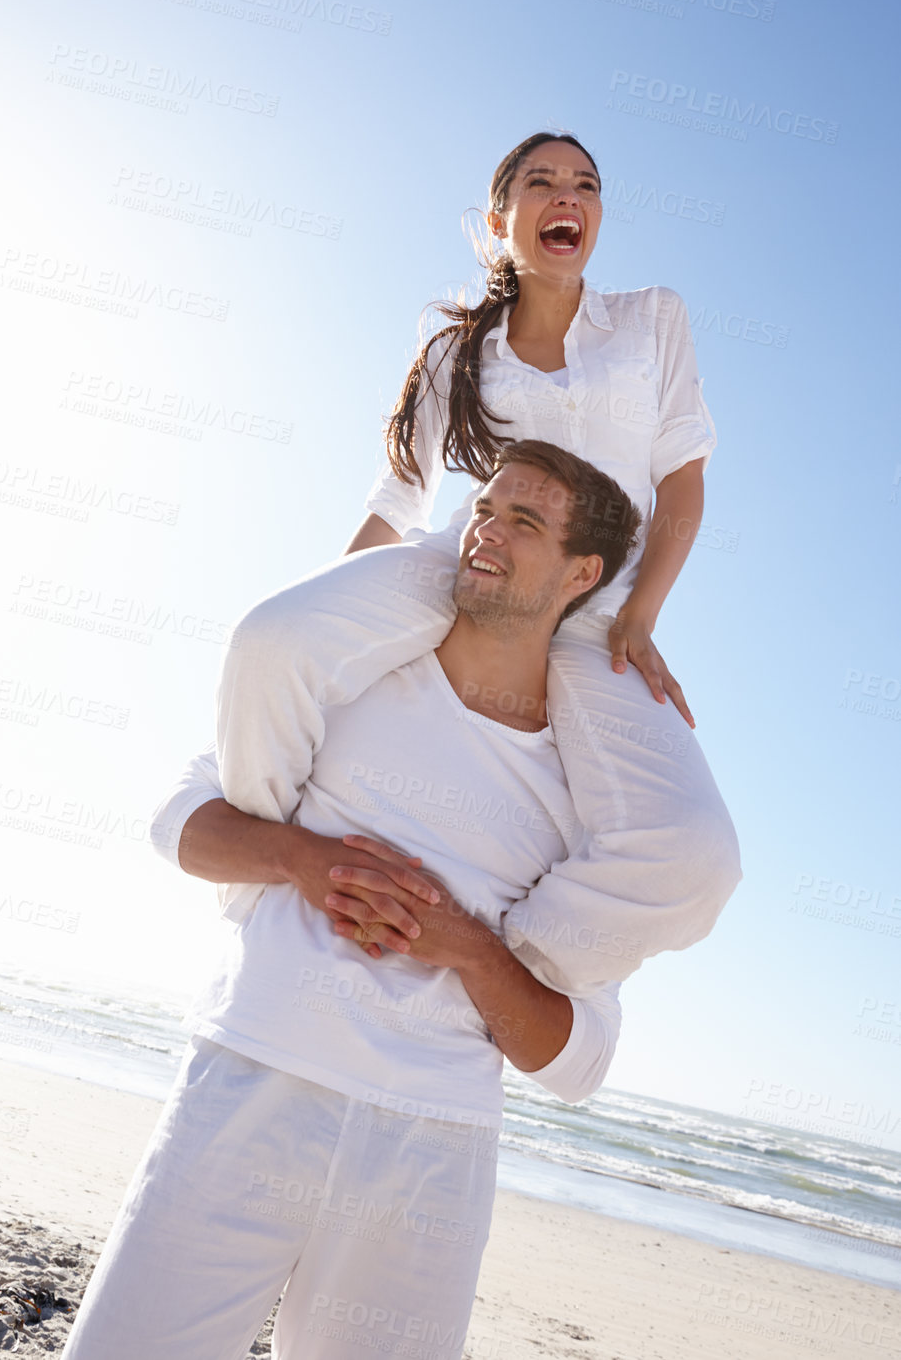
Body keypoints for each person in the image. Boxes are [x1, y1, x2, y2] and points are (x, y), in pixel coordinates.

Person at [62, 442, 647, 1360]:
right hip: (254, 1073)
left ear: (583, 573)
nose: (486, 531)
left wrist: (466, 945)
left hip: (431, 1148)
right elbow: (178, 821)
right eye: (484, 507)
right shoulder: (355, 668)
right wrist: (304, 860)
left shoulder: (593, 793)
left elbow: (578, 1061)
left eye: (523, 522)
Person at [215, 132, 741, 994]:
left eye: (586, 185)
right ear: (501, 221)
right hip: (466, 573)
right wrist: (329, 604)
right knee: (272, 640)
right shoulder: (454, 355)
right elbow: (398, 502)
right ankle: (264, 869)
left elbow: (684, 481)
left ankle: (493, 960)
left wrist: (640, 615)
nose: (567, 197)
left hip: (594, 615)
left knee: (698, 856)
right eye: (541, 183)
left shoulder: (654, 319)